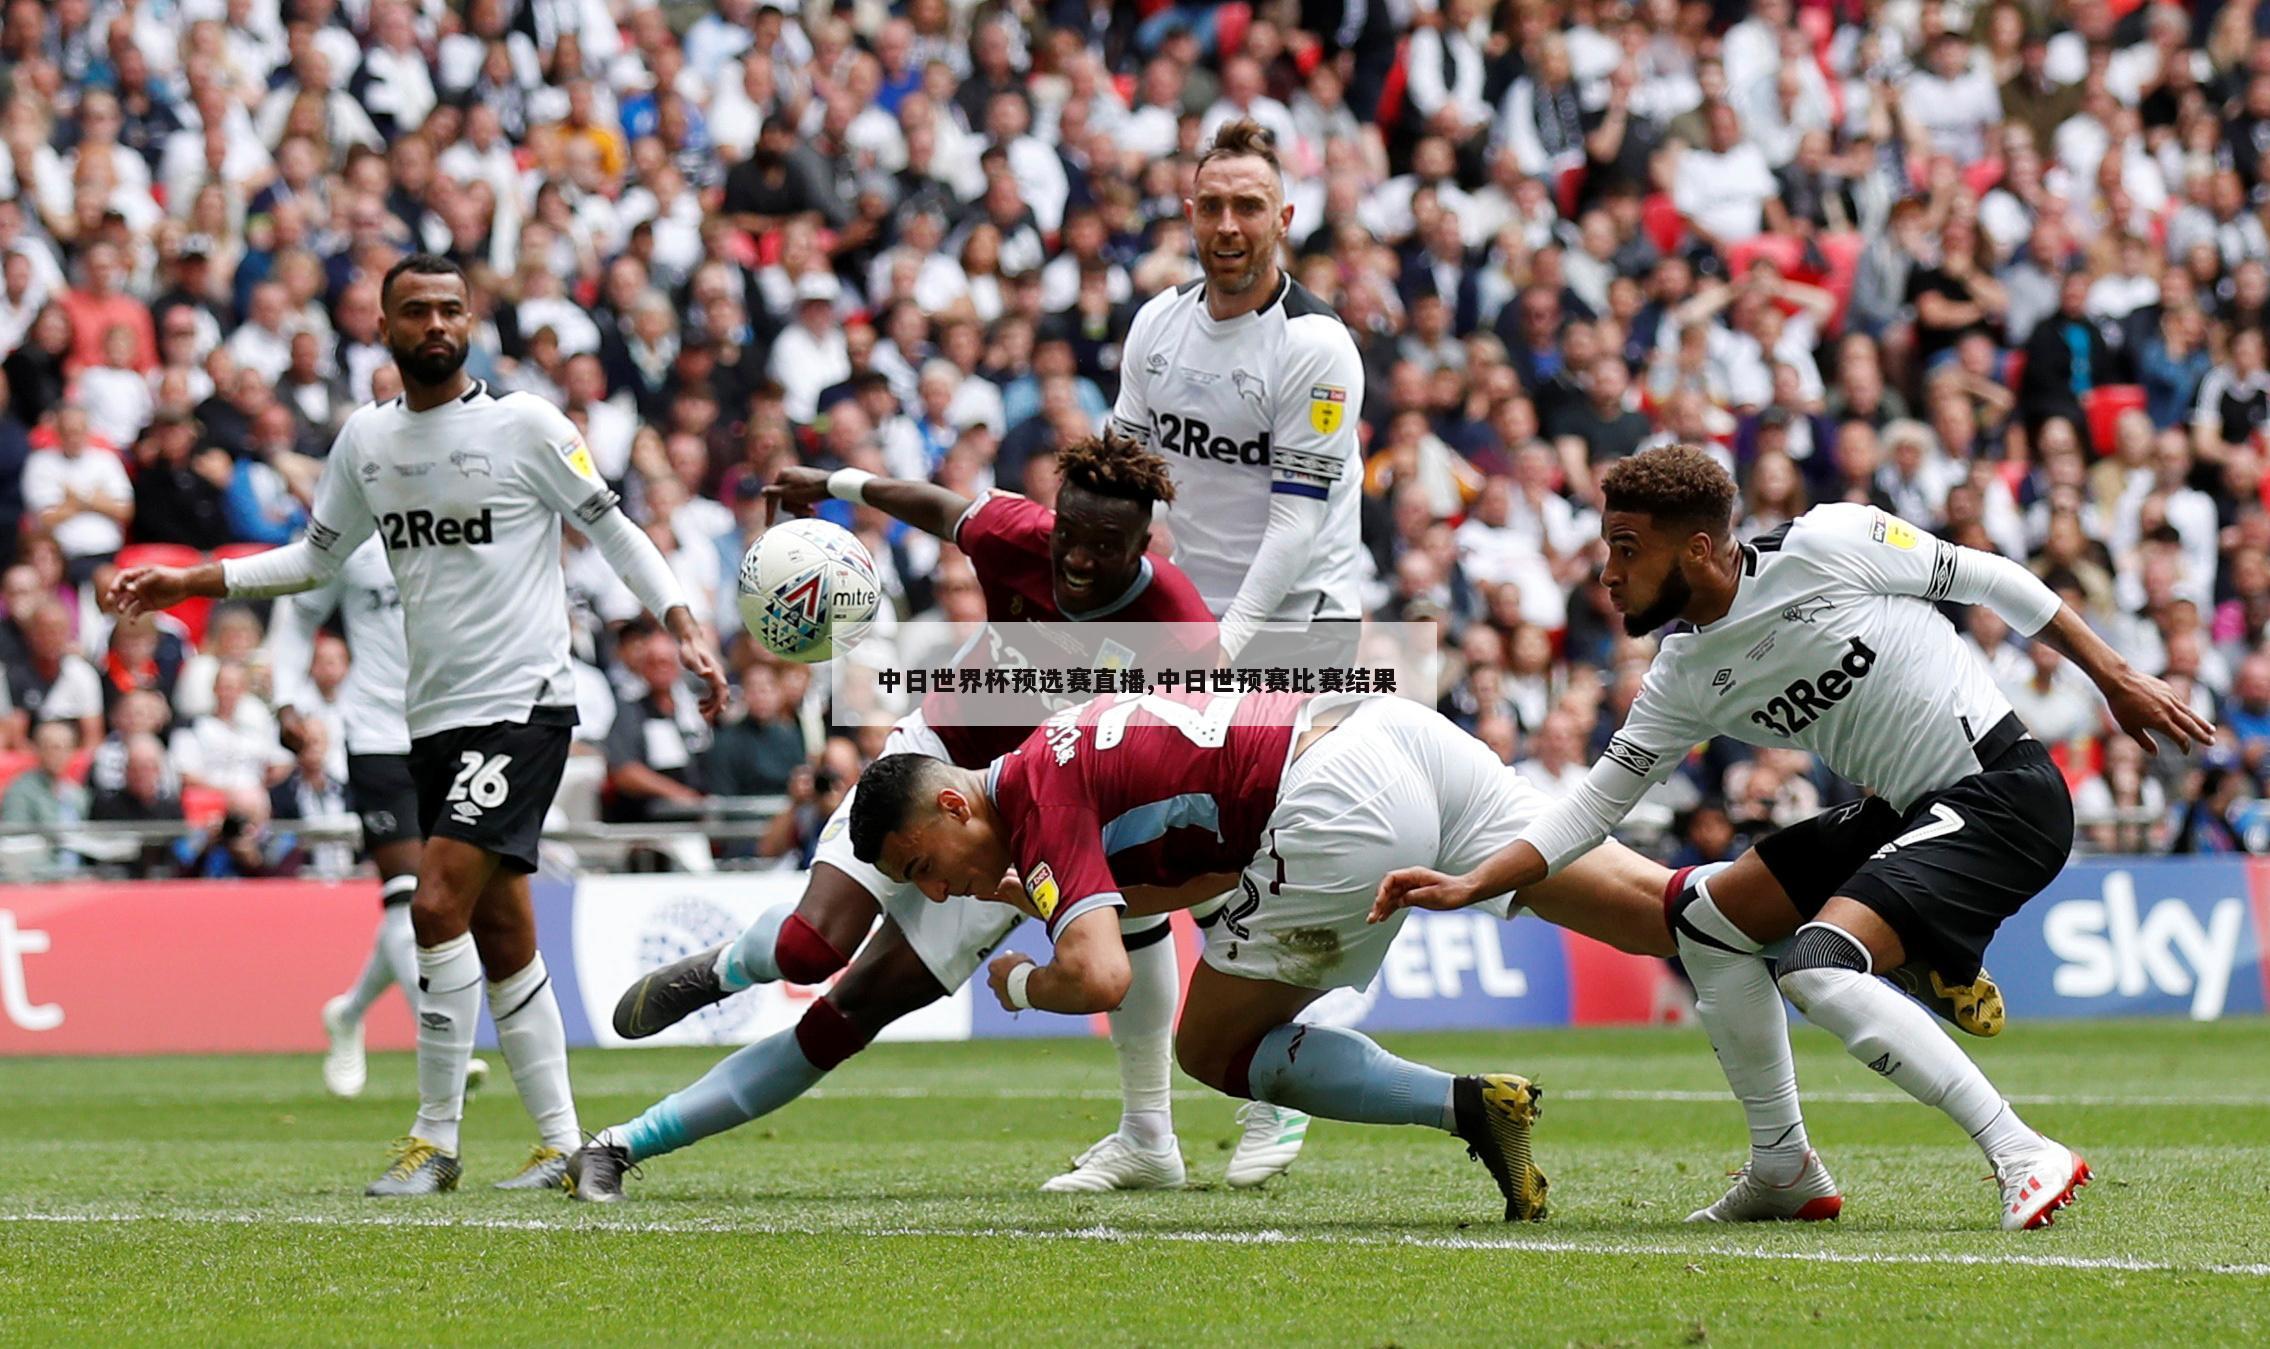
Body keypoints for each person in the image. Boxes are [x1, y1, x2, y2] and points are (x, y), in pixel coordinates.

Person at [1372, 445, 2212, 1231]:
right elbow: (1592, 807)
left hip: (2002, 790)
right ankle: (1784, 1165)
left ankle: (2023, 1150)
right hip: (1902, 814)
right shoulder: (1684, 675)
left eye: (1627, 549)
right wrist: (1471, 881)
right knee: (1708, 922)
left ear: (1698, 549)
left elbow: (1990, 577)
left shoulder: (1829, 543)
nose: (1608, 573)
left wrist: (2117, 677)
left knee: (1817, 965)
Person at [111, 255, 729, 1198]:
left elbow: (611, 526)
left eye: (450, 308)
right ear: (385, 329)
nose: (435, 322)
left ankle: (434, 1141)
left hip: (523, 704)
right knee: (502, 930)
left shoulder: (525, 424)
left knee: (432, 903)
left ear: (470, 319)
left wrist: (679, 619)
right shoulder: (365, 442)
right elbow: (314, 562)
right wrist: (196, 579)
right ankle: (567, 1145)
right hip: (430, 718)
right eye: (416, 310)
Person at [576, 437, 1228, 1200]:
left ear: (1143, 545)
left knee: (851, 1013)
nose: (1077, 560)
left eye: (1103, 547)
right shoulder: (1017, 536)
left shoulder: (1180, 630)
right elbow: (940, 507)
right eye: (1068, 537)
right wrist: (834, 480)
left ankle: (620, 1145)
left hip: (1029, 823)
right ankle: (726, 966)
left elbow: (1198, 749)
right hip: (930, 763)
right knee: (809, 945)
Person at [832, 689, 1692, 1223]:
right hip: (1389, 732)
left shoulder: (1034, 801)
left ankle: (1465, 1107)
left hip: (1330, 800)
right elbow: (1184, 872)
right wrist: (1037, 897)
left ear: (953, 802)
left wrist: (1019, 983)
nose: (938, 893)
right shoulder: (1052, 758)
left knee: (1208, 1047)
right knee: (1665, 913)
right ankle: (1793, 908)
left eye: (923, 868)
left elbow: (1100, 973)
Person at [1101, 116, 1373, 1179]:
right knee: (1128, 867)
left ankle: (1275, 1092)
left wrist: (1216, 650)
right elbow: (1120, 482)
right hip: (1185, 630)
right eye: (1211, 204)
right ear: (1187, 210)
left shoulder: (1312, 346)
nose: (1227, 224)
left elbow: (1297, 523)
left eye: (1247, 206)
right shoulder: (1155, 330)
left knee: (1262, 867)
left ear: (1283, 217)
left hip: (1296, 623)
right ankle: (1144, 1133)